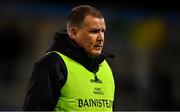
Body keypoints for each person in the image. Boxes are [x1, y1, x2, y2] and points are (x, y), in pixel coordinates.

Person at [23, 5, 115, 111]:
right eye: (94, 31)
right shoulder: (53, 63)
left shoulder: (105, 67)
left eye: (103, 31)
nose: (101, 38)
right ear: (74, 33)